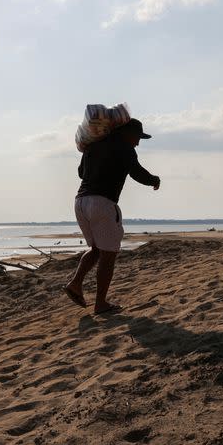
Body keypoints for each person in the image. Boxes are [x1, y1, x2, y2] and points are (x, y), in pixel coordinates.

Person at [63, 119, 160, 314]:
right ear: (127, 133)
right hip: (103, 204)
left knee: (97, 249)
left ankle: (75, 284)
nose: (138, 142)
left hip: (80, 202)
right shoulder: (124, 147)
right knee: (108, 256)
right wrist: (154, 180)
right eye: (137, 137)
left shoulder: (93, 145)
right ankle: (101, 304)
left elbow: (81, 173)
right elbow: (137, 172)